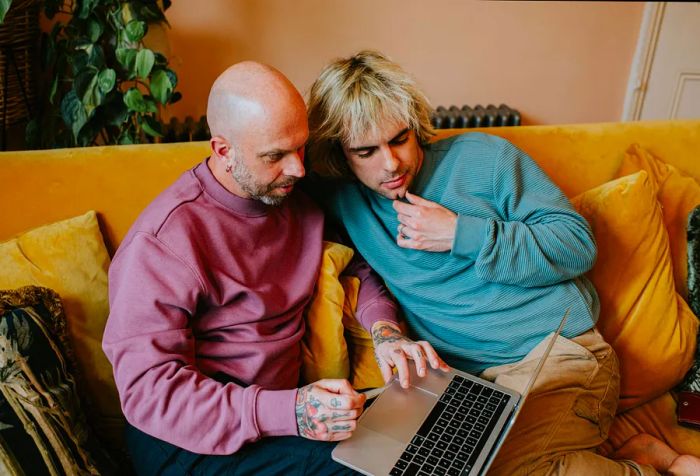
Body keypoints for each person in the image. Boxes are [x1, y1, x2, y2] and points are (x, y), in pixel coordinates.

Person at [305, 50, 700, 476]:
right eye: (366, 151)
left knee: (498, 471)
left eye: (399, 139)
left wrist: (462, 234)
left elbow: (576, 246)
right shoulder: (343, 198)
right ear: (341, 155)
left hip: (558, 353)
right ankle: (636, 452)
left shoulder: (484, 159)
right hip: (460, 383)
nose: (391, 163)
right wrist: (385, 334)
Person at [102, 61, 447, 475]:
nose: (299, 169)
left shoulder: (290, 197)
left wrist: (385, 332)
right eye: (275, 156)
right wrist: (291, 410)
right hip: (191, 442)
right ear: (223, 151)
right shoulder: (163, 242)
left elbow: (355, 267)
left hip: (283, 421)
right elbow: (150, 394)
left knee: (435, 432)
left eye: (300, 146)